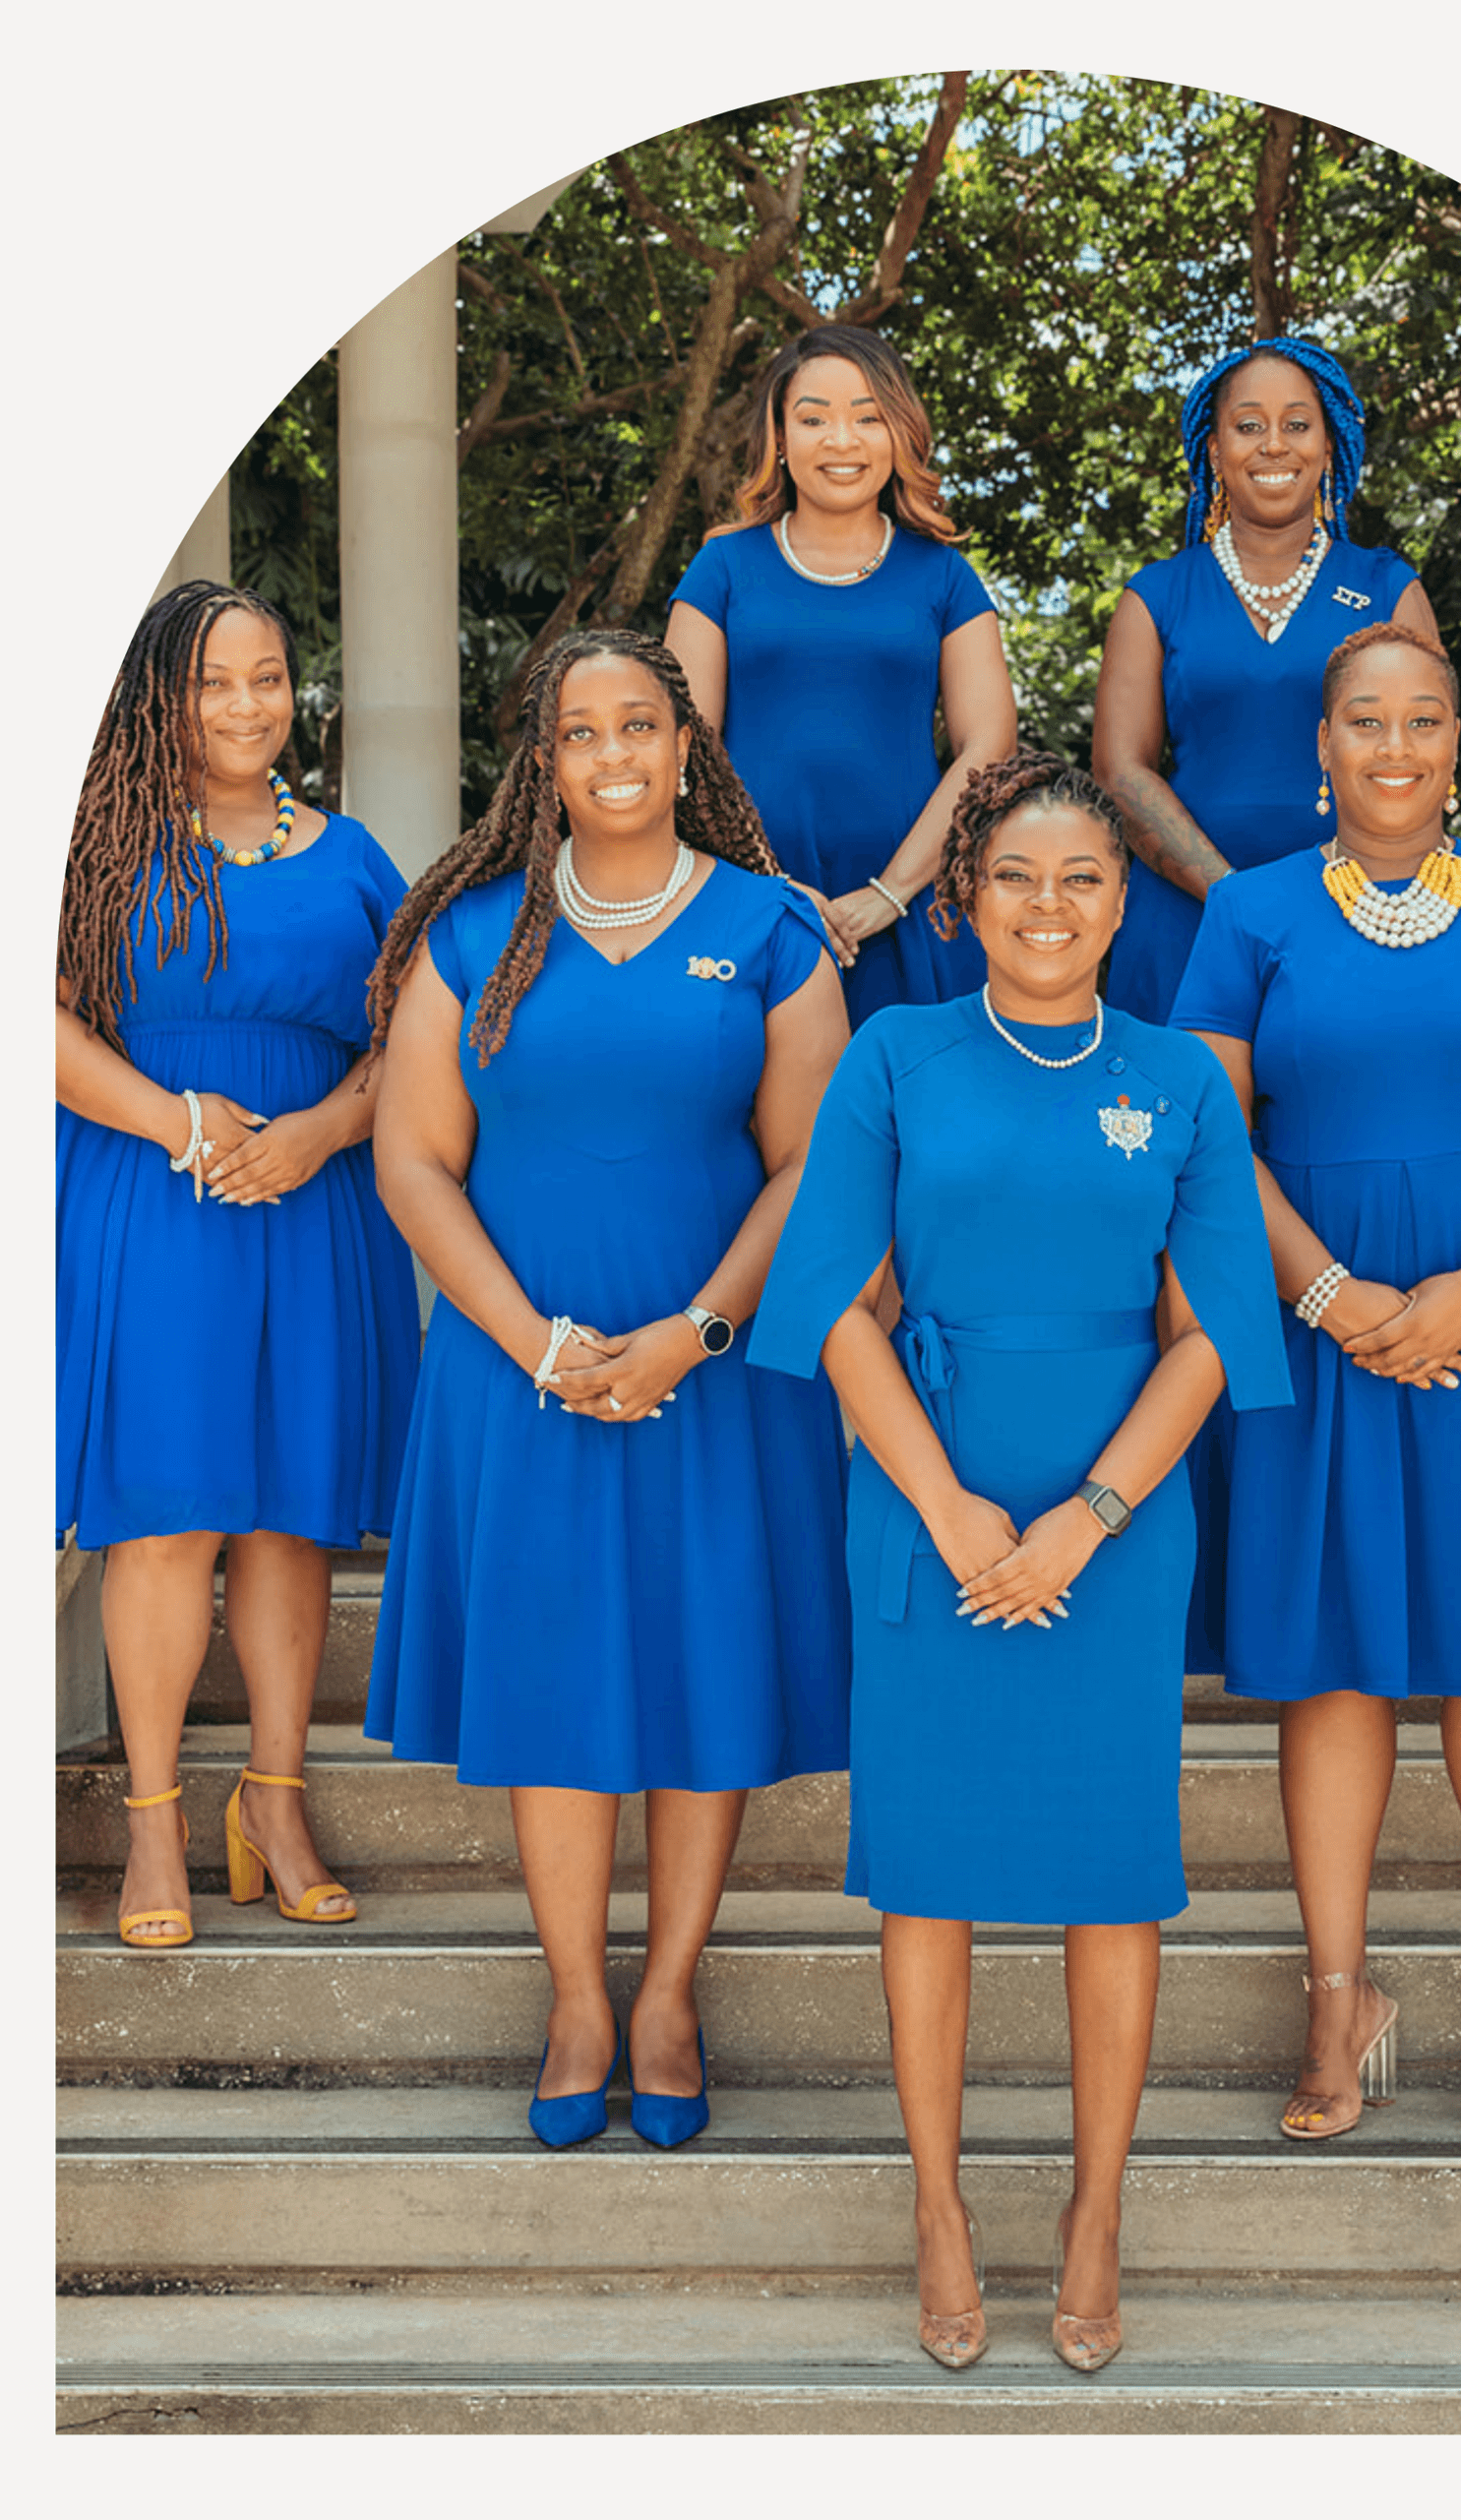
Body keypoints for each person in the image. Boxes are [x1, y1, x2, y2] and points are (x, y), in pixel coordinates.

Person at [748, 752, 1289, 2369]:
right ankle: (935, 2203)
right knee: (928, 1882)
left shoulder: (1182, 1080)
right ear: (963, 899)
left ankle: (1094, 2208)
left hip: (1111, 1527)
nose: (1048, 910)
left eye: (1083, 883)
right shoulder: (896, 1055)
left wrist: (1083, 1518)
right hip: (926, 1502)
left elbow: (1203, 1343)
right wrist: (952, 1509)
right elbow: (835, 1306)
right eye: (1015, 882)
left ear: (1127, 904)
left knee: (1110, 1883)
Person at [361, 630, 851, 2150]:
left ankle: (668, 1994)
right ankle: (578, 1991)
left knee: (709, 1677)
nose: (615, 751)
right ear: (544, 761)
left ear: (687, 743)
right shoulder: (470, 934)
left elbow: (810, 1167)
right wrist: (544, 1346)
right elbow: (414, 1163)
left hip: (718, 1374)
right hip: (522, 1380)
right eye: (582, 731)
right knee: (559, 1683)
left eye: (641, 723)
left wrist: (694, 1331)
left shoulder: (773, 927)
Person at [1174, 624, 1461, 2147]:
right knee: (1335, 1673)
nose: (1393, 746)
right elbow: (1204, 1128)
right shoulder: (1249, 915)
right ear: (1321, 748)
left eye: (1423, 718)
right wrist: (1325, 1293)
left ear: (1458, 739)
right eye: (1363, 721)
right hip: (1321, 1330)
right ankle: (1337, 1999)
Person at [57, 580, 420, 1948]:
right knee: (165, 1512)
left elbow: (417, 1033)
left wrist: (326, 1128)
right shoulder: (95, 848)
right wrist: (186, 1122)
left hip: (314, 1200)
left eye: (268, 678)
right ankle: (151, 1824)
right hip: (155, 1195)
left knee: (290, 1513)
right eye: (216, 682)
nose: (248, 706)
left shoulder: (351, 855)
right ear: (162, 694)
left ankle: (274, 1800)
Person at [666, 323, 1016, 1022]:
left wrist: (888, 894)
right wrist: (773, 885)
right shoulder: (722, 568)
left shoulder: (943, 575)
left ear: (900, 433)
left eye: (867, 417)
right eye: (814, 418)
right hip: (744, 899)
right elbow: (680, 747)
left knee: (912, 1123)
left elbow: (989, 745)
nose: (841, 440)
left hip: (913, 910)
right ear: (779, 437)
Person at [1092, 334, 1439, 1028]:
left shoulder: (1386, 589)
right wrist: (1236, 901)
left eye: (1297, 424)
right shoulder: (1156, 596)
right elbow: (1120, 772)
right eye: (1249, 425)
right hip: (1185, 924)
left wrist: (1324, 909)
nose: (1274, 444)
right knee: (1183, 1129)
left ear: (1328, 444)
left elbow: (1424, 760)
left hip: (1356, 914)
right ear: (1215, 451)